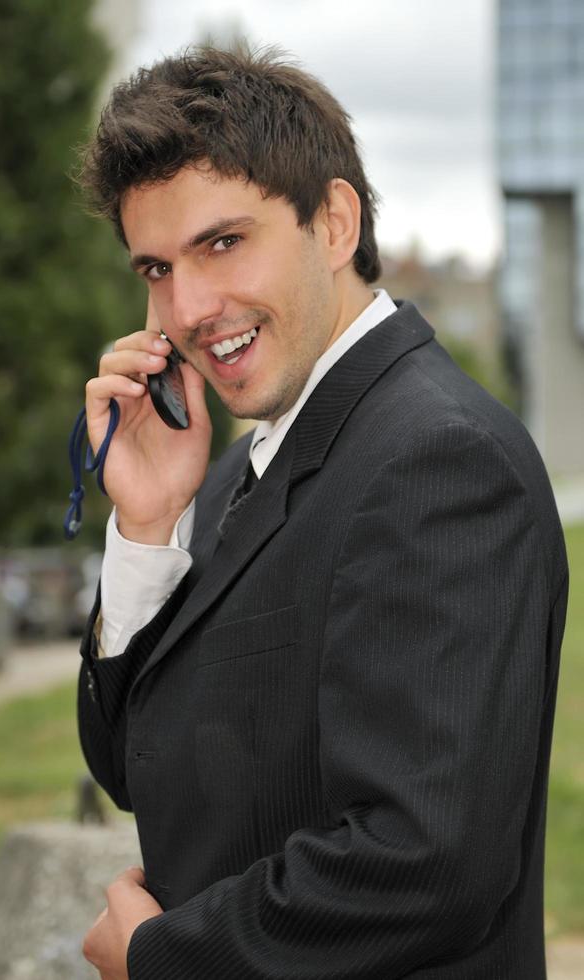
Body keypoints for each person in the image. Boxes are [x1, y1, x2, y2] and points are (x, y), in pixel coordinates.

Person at [76, 45, 568, 980]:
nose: (187, 306)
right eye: (155, 267)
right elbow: (136, 767)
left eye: (222, 243)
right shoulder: (226, 476)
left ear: (334, 222)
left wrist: (162, 958)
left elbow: (424, 864)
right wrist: (146, 528)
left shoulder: (438, 461)